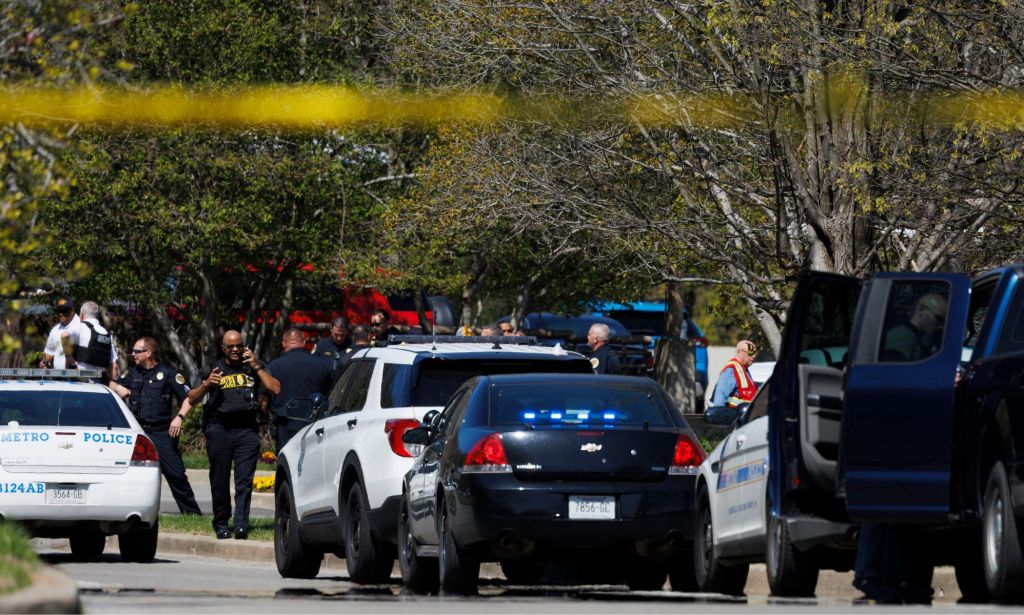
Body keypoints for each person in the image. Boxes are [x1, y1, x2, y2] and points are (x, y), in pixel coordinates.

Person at [188, 330, 280, 540]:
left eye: (239, 345)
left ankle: (240, 525)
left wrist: (256, 366)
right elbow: (192, 398)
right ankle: (221, 523)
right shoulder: (213, 368)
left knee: (244, 482)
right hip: (219, 430)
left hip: (247, 431)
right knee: (219, 480)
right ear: (224, 348)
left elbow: (275, 388)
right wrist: (206, 384)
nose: (236, 350)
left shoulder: (253, 366)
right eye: (231, 347)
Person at [112, 337, 201, 515]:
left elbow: (190, 398)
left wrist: (179, 417)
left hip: (162, 432)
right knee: (132, 474)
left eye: (137, 351)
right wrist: (117, 387)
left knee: (176, 474)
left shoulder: (168, 373)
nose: (133, 355)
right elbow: (110, 383)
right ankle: (132, 513)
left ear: (149, 353)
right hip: (139, 432)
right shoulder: (133, 373)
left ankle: (192, 513)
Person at [267, 328, 335, 452]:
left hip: (285, 424)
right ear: (303, 342)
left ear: (283, 344)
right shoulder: (324, 365)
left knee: (286, 464)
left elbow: (265, 397)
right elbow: (331, 394)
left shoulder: (273, 367)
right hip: (315, 424)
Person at [881, 293, 948, 361]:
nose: (941, 325)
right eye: (939, 318)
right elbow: (896, 368)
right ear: (921, 310)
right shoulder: (902, 334)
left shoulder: (917, 337)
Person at [71, 301, 119, 383]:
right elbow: (113, 367)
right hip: (100, 381)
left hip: (79, 379)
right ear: (97, 316)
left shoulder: (77, 328)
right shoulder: (107, 333)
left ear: (81, 315)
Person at [710, 340, 759, 407]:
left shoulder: (743, 369)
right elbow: (719, 400)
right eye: (751, 352)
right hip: (733, 416)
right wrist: (719, 416)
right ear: (739, 353)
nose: (753, 356)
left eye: (755, 353)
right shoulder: (731, 370)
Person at [40, 297, 80, 369]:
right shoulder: (55, 329)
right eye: (58, 311)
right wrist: (44, 362)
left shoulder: (82, 326)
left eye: (64, 310)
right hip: (58, 377)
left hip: (77, 376)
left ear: (72, 310)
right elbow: (49, 352)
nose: (61, 314)